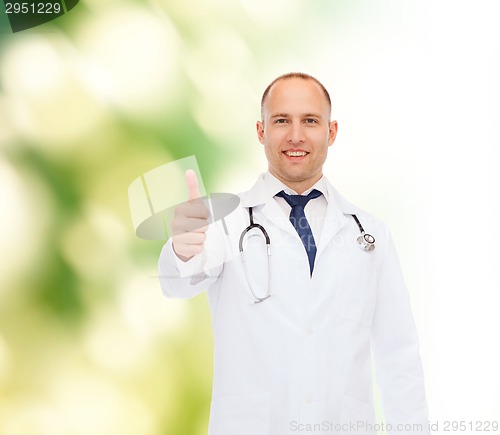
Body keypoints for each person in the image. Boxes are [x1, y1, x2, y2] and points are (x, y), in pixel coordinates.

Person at [158, 72, 430, 435]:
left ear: (331, 132)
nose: (296, 135)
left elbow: (399, 357)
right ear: (261, 131)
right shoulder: (225, 223)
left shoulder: (370, 234)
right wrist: (182, 249)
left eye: (310, 121)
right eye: (282, 120)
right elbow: (178, 283)